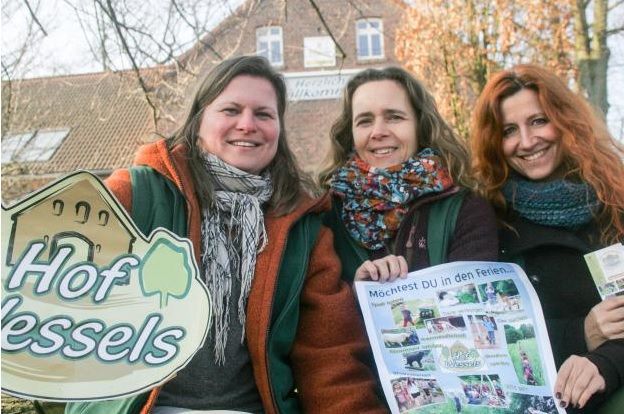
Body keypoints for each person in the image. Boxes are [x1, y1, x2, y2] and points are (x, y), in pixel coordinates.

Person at [65, 55, 387, 413]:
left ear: (279, 129)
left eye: (264, 114)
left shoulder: (301, 226)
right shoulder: (137, 194)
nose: (247, 124)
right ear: (199, 120)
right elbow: (51, 273)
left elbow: (329, 354)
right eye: (231, 110)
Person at [471, 63, 624, 412]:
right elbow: (486, 338)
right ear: (495, 142)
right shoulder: (487, 221)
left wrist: (607, 362)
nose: (527, 141)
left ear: (565, 120)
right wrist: (581, 333)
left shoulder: (615, 199)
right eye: (509, 130)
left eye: (539, 121)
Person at [317, 66, 498, 284]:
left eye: (394, 117)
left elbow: (471, 304)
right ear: (351, 133)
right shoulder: (326, 214)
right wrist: (358, 295)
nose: (378, 132)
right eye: (365, 121)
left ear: (420, 125)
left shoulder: (465, 209)